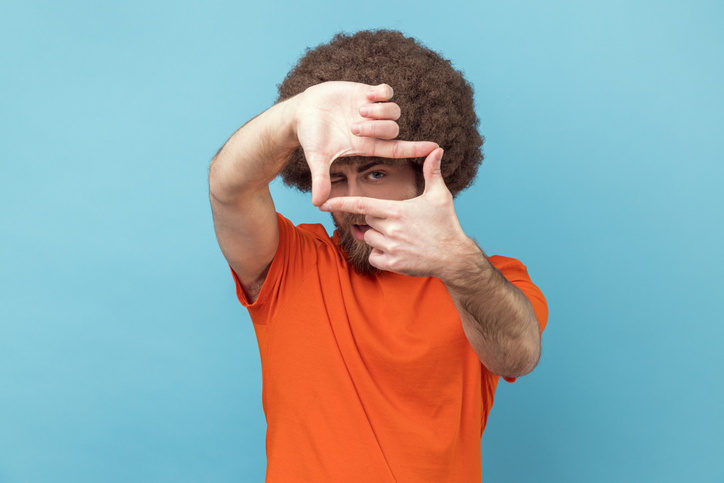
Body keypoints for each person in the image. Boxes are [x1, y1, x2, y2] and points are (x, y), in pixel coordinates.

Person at [209, 30, 548, 482]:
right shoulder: (290, 263)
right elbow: (228, 189)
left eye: (374, 173)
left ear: (428, 176)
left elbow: (517, 357)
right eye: (337, 177)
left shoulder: (484, 280)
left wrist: (457, 263)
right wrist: (294, 115)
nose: (352, 200)